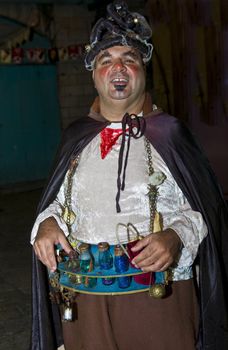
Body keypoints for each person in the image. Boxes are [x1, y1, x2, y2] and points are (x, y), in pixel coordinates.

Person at [30, 1, 228, 350]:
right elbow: (57, 205)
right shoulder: (78, 137)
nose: (118, 68)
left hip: (159, 297)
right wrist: (46, 224)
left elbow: (204, 213)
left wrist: (176, 237)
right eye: (106, 61)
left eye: (129, 59)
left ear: (142, 71)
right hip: (85, 300)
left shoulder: (170, 134)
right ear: (93, 74)